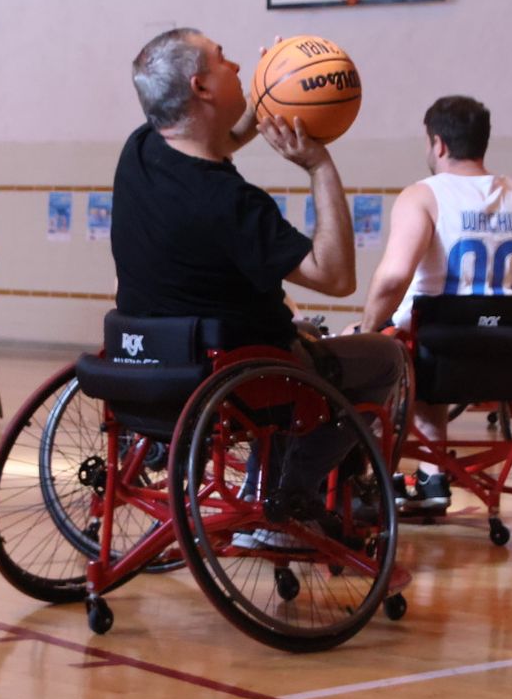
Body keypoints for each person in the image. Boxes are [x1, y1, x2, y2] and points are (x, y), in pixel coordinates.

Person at [113, 27, 407, 543]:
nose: (238, 68)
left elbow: (214, 141)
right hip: (239, 374)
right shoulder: (231, 203)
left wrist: (269, 96)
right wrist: (319, 165)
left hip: (145, 362)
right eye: (224, 59)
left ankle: (266, 482)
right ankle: (287, 497)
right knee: (386, 357)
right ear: (201, 86)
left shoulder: (140, 150)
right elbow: (336, 276)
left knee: (302, 335)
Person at [357, 95, 512, 513]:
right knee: (427, 349)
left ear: (438, 144)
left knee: (354, 347)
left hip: (432, 348)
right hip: (502, 351)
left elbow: (394, 278)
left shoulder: (423, 196)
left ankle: (359, 483)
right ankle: (433, 480)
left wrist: (367, 329)